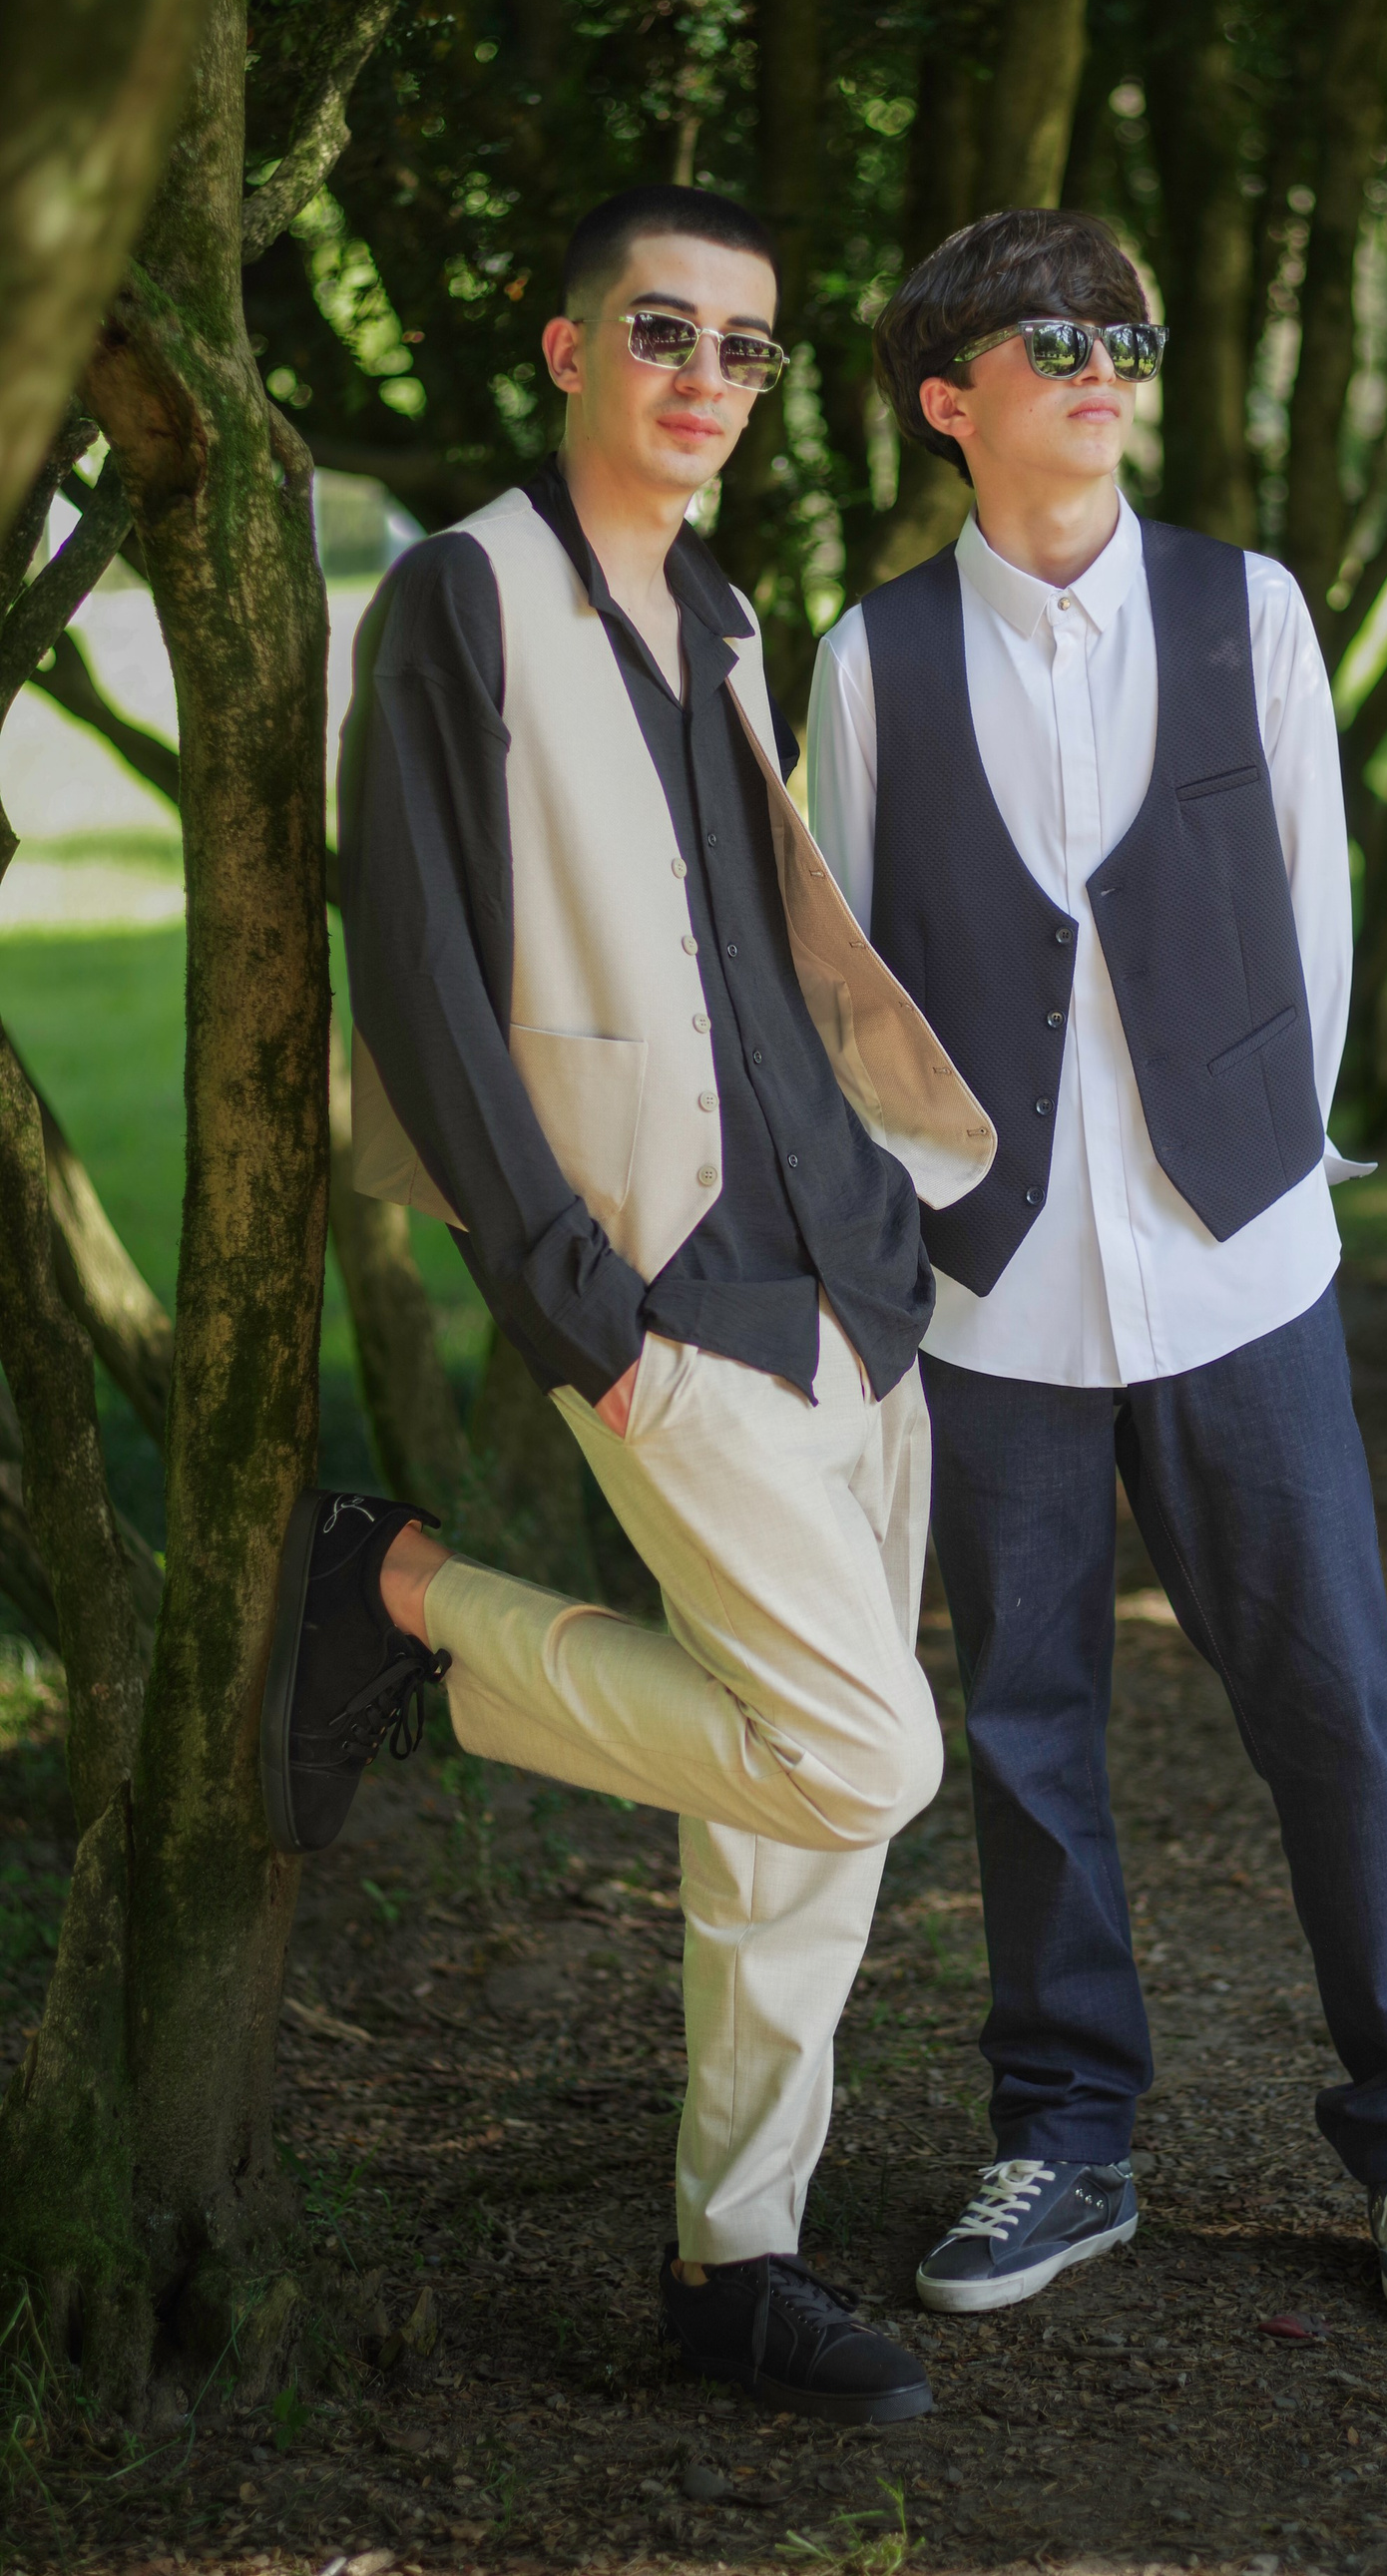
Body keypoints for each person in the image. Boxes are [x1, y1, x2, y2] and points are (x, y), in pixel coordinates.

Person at [261, 183, 996, 2426]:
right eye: (663, 331)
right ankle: (395, 1600)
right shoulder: (462, 596)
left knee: (788, 1828)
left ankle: (734, 2262)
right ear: (571, 348)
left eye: (745, 348)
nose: (706, 377)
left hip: (850, 1276)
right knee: (863, 1751)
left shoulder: (727, 613)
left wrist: (889, 1217)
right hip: (658, 1292)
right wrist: (575, 1305)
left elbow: (760, 952)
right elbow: (419, 985)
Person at [806, 207, 1387, 2330]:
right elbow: (853, 994)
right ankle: (1066, 2138)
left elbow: (1311, 914)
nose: (1104, 363)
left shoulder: (1246, 608)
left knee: (1335, 1709)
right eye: (1057, 338)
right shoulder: (873, 660)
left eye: (1128, 331)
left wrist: (1268, 1165)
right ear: (951, 399)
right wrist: (915, 1233)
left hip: (1238, 1270)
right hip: (992, 1289)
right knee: (1027, 1730)